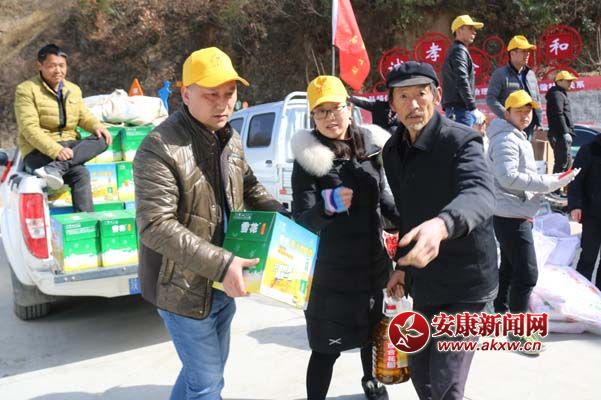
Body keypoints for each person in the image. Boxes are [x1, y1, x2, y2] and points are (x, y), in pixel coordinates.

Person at [133, 47, 287, 400]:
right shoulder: (159, 147)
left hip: (221, 282)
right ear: (186, 94)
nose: (222, 104)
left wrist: (281, 217)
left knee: (200, 376)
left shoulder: (229, 137)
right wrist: (224, 263)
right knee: (207, 386)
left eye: (229, 93)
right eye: (210, 94)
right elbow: (155, 225)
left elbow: (249, 184)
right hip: (180, 288)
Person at [382, 61, 498, 400]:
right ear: (392, 104)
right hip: (426, 280)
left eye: (421, 94)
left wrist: (442, 225)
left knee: (446, 382)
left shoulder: (461, 141)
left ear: (437, 96)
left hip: (467, 284)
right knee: (422, 376)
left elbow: (479, 193)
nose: (413, 105)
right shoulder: (392, 151)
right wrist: (402, 266)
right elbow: (408, 214)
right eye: (403, 97)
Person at [291, 75, 400, 400]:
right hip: (331, 275)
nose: (330, 117)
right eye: (321, 111)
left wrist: (409, 220)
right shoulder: (308, 158)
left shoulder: (371, 147)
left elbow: (384, 200)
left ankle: (371, 381)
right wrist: (327, 207)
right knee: (326, 349)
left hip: (372, 265)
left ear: (349, 108)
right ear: (312, 117)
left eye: (336, 108)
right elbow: (302, 221)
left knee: (372, 335)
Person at [487, 90, 577, 353]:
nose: (526, 115)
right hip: (510, 214)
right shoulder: (506, 138)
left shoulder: (516, 135)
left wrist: (553, 188)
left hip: (514, 212)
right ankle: (518, 331)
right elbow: (508, 177)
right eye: (519, 111)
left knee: (511, 268)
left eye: (528, 111)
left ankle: (501, 314)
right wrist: (549, 182)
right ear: (507, 113)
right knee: (527, 274)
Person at [14, 43, 111, 212]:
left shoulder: (73, 89)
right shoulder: (26, 90)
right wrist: (56, 150)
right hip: (39, 151)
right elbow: (29, 128)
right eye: (52, 66)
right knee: (80, 173)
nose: (58, 70)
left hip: (69, 147)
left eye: (62, 65)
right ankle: (56, 168)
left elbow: (83, 116)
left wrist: (97, 126)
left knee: (102, 139)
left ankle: (56, 169)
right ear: (40, 65)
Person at [487, 35, 543, 139]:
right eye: (523, 51)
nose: (527, 54)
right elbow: (491, 99)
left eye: (528, 51)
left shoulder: (531, 74)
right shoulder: (500, 74)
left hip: (528, 125)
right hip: (509, 126)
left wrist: (539, 121)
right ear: (512, 53)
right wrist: (507, 116)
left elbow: (537, 98)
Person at [568, 132, 601, 291]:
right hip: (592, 214)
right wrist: (575, 205)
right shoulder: (590, 150)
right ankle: (581, 294)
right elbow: (575, 180)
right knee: (588, 257)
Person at [441, 14, 485, 127]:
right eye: (470, 28)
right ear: (459, 30)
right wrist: (472, 107)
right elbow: (461, 80)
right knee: (463, 138)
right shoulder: (459, 51)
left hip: (458, 109)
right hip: (459, 110)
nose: (474, 32)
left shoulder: (457, 50)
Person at [546, 70, 578, 178]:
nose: (570, 83)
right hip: (559, 135)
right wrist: (565, 132)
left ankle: (559, 187)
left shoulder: (559, 94)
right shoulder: (557, 94)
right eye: (568, 81)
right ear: (559, 81)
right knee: (562, 163)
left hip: (561, 134)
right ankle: (555, 187)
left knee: (566, 163)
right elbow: (558, 114)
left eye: (571, 81)